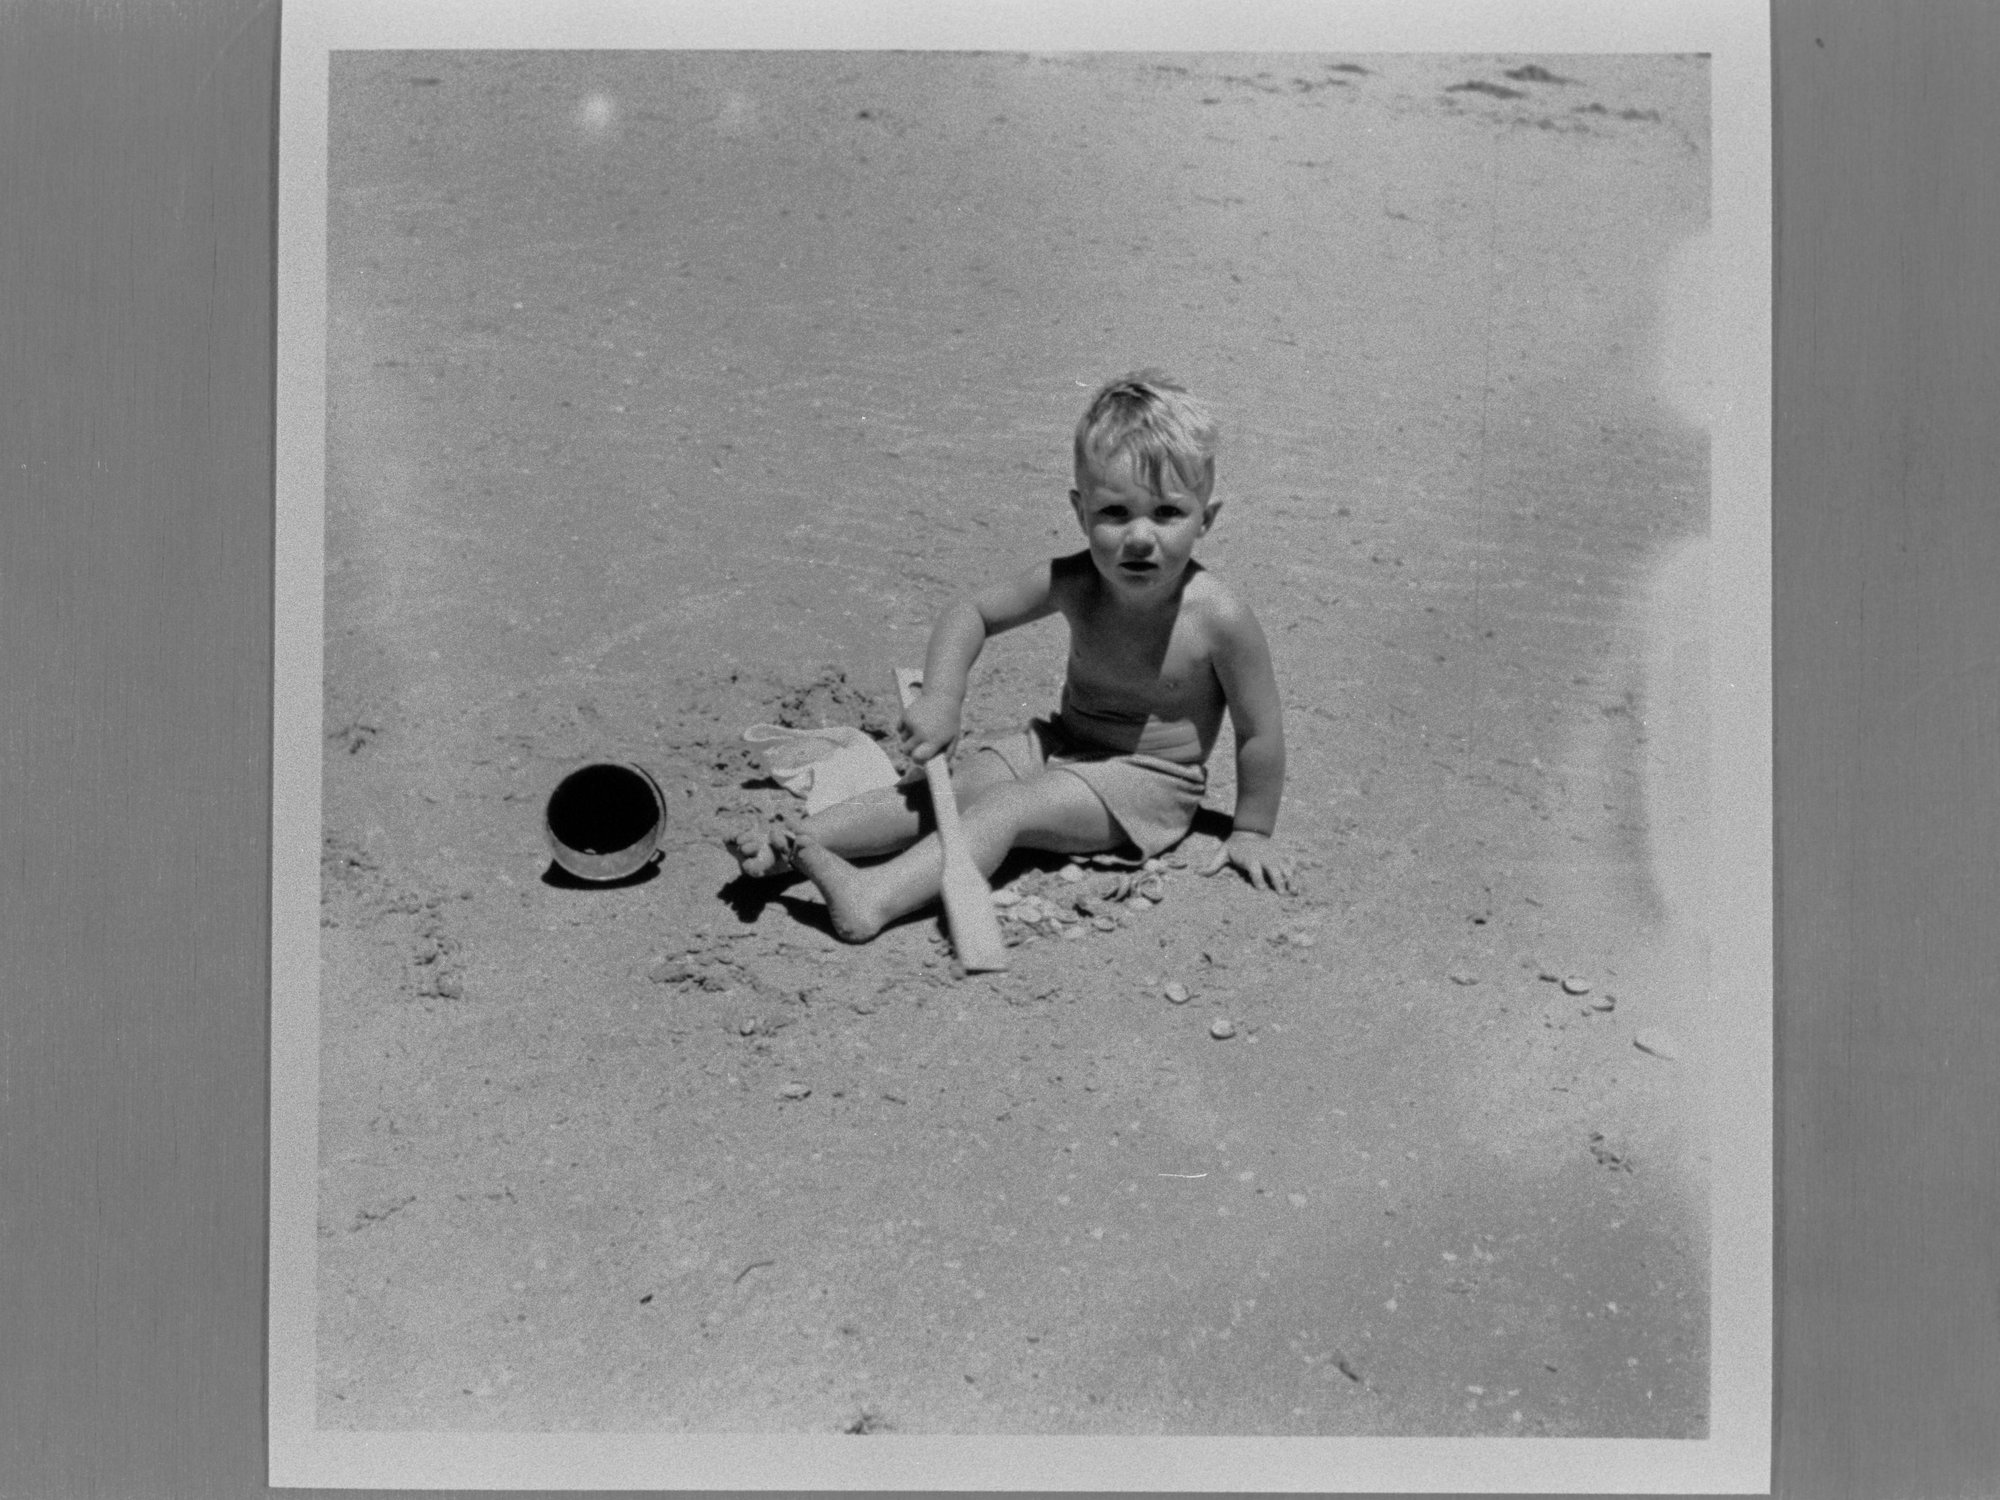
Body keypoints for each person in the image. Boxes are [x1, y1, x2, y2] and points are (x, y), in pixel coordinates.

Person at [731, 370, 1297, 941]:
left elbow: (1260, 732)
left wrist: (1251, 830)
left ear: (1207, 518)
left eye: (1167, 513)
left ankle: (871, 898)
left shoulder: (1219, 618)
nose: (1141, 536)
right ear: (1080, 512)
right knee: (943, 792)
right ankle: (796, 842)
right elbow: (970, 613)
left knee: (1007, 810)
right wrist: (943, 698)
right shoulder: (1076, 581)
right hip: (1059, 744)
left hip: (1147, 782)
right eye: (1115, 513)